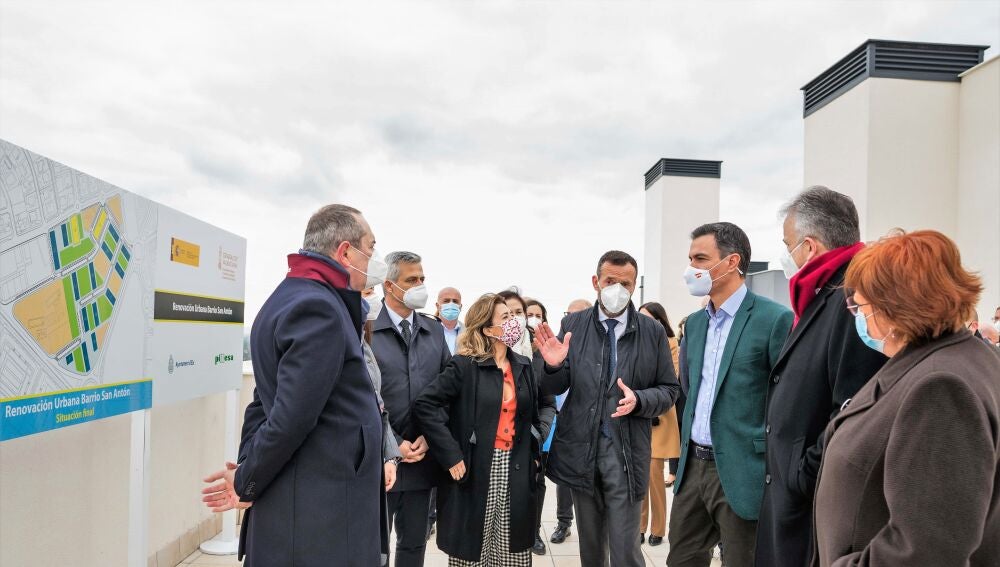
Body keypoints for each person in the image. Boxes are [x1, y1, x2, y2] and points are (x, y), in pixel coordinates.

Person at [200, 205, 387, 566]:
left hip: (313, 505)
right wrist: (246, 480)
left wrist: (248, 471)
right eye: (371, 246)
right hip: (321, 516)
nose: (375, 257)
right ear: (345, 252)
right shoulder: (319, 308)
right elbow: (290, 418)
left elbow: (263, 401)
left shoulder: (293, 296)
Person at [812, 230, 1000, 566]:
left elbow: (928, 548)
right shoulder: (952, 359)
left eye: (861, 307)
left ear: (894, 306)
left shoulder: (940, 387)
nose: (858, 317)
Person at [756, 187, 889, 567]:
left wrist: (802, 474)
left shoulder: (853, 300)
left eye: (788, 245)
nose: (786, 255)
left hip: (812, 507)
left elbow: (856, 406)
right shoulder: (822, 294)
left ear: (810, 247)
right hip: (795, 499)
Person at [534, 250, 680, 567]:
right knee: (591, 549)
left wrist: (640, 400)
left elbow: (669, 390)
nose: (617, 289)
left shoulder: (651, 331)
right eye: (610, 281)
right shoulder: (573, 324)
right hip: (582, 450)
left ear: (634, 285)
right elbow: (553, 387)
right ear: (595, 282)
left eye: (625, 283)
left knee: (626, 550)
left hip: (626, 452)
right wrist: (553, 367)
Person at [667, 223, 793, 567]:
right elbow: (690, 390)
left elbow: (785, 401)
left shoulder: (774, 319)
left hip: (743, 471)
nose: (691, 268)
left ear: (731, 261)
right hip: (693, 469)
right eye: (690, 259)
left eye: (700, 259)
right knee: (681, 560)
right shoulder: (695, 324)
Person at [412, 294, 544, 566]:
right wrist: (450, 454)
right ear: (487, 329)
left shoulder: (523, 365)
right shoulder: (464, 365)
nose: (514, 321)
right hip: (476, 467)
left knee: (513, 552)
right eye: (505, 317)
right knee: (472, 551)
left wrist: (534, 452)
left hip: (516, 467)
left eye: (513, 315)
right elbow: (425, 405)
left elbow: (533, 414)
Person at [372, 251, 452, 567]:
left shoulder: (433, 331)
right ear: (389, 285)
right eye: (411, 280)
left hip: (422, 459)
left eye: (422, 279)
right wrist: (393, 444)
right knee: (374, 548)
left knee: (414, 545)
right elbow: (361, 398)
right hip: (379, 462)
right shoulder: (367, 329)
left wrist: (431, 436)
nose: (420, 285)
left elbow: (449, 391)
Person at [497, 290, 556, 555]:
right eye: (507, 313)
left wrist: (539, 433)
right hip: (497, 444)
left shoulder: (539, 356)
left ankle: (533, 533)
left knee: (534, 485)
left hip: (531, 441)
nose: (516, 318)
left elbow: (548, 402)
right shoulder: (486, 357)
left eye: (519, 313)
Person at [637, 301, 681, 547]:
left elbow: (671, 377)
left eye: (649, 318)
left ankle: (658, 528)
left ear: (659, 320)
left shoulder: (671, 343)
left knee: (654, 475)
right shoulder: (634, 342)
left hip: (660, 415)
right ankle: (640, 527)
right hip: (637, 412)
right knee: (639, 476)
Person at [547, 298, 591, 546]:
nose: (573, 319)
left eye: (578, 314)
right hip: (559, 419)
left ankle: (589, 526)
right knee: (563, 477)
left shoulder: (595, 348)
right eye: (569, 314)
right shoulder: (557, 345)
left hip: (586, 421)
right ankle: (563, 522)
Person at [437, 287, 464, 355]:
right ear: (437, 306)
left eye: (455, 301)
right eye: (446, 301)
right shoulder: (426, 329)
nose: (451, 304)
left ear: (460, 307)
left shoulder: (469, 333)